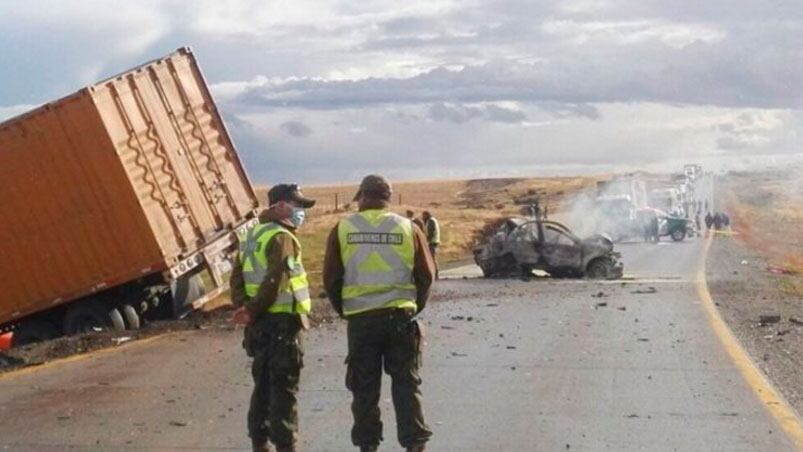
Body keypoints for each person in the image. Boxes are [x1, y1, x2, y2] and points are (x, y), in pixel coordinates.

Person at [323, 174, 435, 452]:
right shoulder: (409, 228)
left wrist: (346, 310)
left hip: (361, 322)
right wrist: (413, 306)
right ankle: (415, 445)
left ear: (361, 196)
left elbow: (331, 279)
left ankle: (368, 445)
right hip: (399, 319)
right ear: (388, 198)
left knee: (364, 389)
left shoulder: (342, 228)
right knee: (406, 385)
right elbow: (427, 275)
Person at [230, 184, 316, 452]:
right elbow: (276, 279)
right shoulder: (282, 237)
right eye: (296, 205)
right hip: (282, 324)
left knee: (262, 387)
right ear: (279, 206)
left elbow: (236, 278)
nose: (300, 211)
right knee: (283, 389)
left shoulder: (252, 235)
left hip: (258, 327)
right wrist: (253, 309)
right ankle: (285, 445)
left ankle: (259, 443)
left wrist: (245, 308)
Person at [421, 211, 441, 277]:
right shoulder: (432, 220)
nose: (422, 217)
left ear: (426, 215)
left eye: (423, 215)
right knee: (432, 257)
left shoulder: (431, 221)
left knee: (432, 258)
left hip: (433, 242)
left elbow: (430, 232)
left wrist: (426, 241)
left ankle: (435, 273)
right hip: (434, 241)